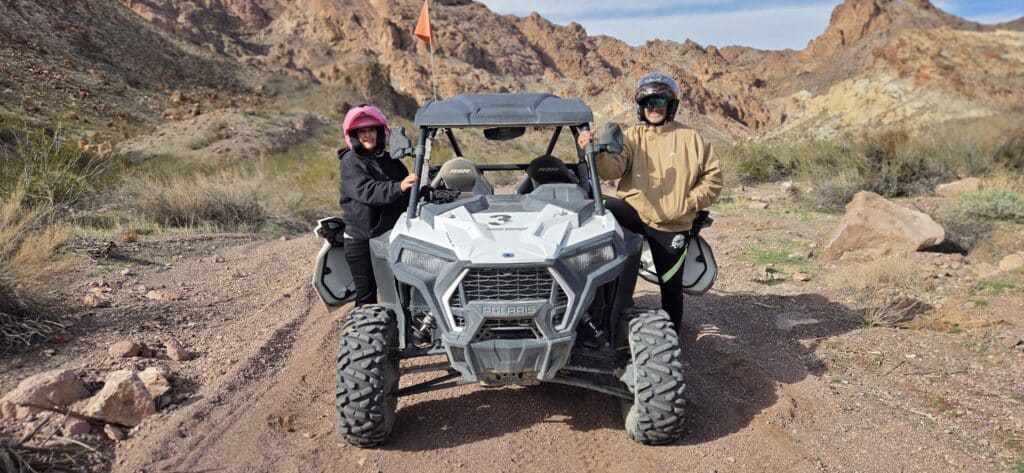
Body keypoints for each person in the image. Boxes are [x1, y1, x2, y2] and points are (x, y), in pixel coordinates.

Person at [578, 72, 723, 329]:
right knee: (596, 207)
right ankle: (607, 323)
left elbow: (713, 178)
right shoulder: (632, 137)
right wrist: (594, 153)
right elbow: (612, 169)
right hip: (634, 213)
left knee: (671, 285)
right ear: (640, 107)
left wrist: (689, 202)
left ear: (671, 106)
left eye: (659, 102)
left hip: (672, 222)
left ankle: (672, 335)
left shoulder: (692, 139)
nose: (653, 107)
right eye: (647, 103)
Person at [339, 104, 418, 306]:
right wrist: (399, 186)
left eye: (371, 130)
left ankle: (404, 333)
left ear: (380, 132)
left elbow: (409, 189)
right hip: (362, 239)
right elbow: (368, 191)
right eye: (362, 131)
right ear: (354, 135)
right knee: (366, 297)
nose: (367, 135)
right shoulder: (350, 162)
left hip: (389, 236)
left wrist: (431, 190)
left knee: (401, 291)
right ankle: (363, 335)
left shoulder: (390, 161)